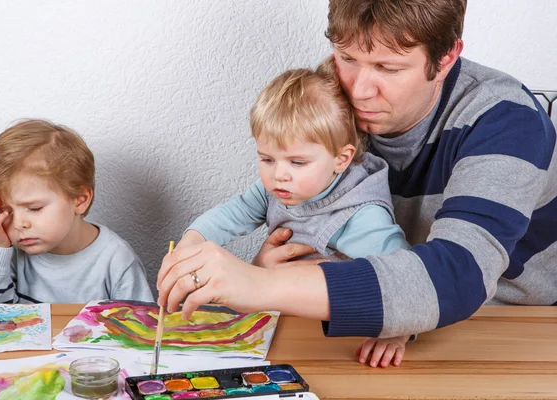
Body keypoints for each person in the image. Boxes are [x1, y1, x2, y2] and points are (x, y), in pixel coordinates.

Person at [157, 0, 557, 369]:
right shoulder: (332, 94)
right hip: (367, 324)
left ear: (447, 56)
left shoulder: (506, 119)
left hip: (506, 324)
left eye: (388, 68)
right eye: (347, 57)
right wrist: (269, 271)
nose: (360, 90)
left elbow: (459, 274)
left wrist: (262, 283)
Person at [176, 67, 412, 366]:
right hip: (279, 324)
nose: (279, 175)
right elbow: (231, 214)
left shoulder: (360, 215)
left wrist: (397, 332)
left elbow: (406, 278)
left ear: (341, 159)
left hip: (332, 340)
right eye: (267, 159)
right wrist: (191, 243)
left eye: (297, 162)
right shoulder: (277, 188)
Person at [0, 119, 154, 304]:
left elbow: (141, 327)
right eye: (6, 211)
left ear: (80, 200)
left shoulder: (116, 260)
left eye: (35, 208)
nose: (19, 224)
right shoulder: (11, 254)